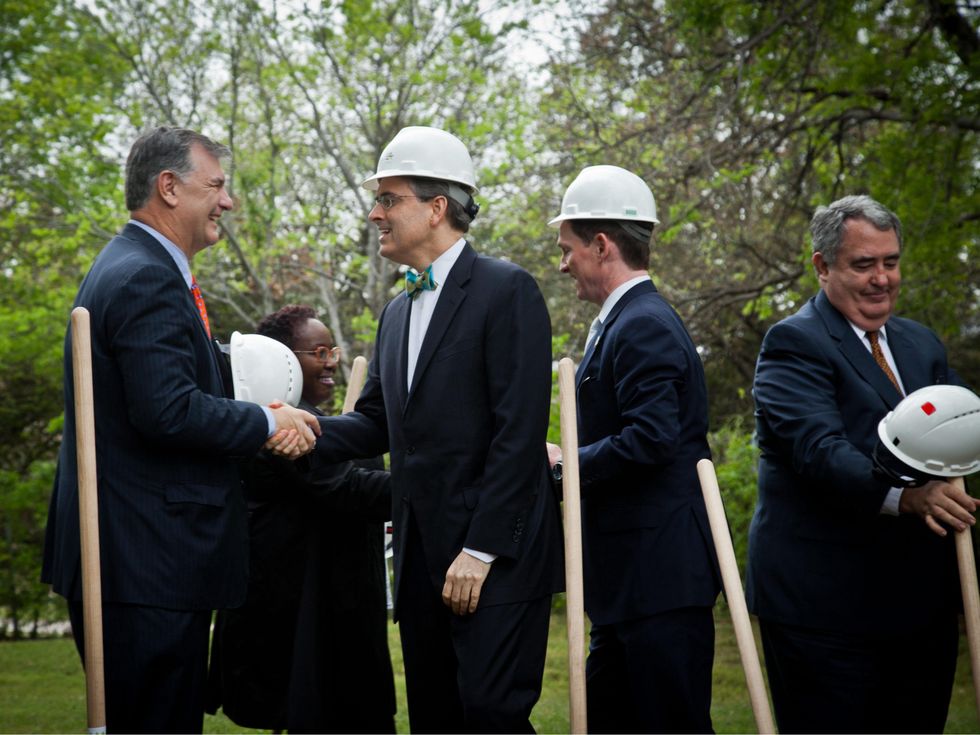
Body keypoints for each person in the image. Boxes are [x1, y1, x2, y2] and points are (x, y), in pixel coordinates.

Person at [41, 126, 319, 734]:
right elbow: (167, 410)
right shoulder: (144, 276)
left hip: (142, 560)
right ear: (168, 187)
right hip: (145, 563)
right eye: (216, 186)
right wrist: (266, 422)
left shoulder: (140, 266)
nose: (228, 201)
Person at [312, 125, 564, 733]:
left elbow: (517, 433)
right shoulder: (395, 312)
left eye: (388, 198)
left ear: (437, 207)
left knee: (492, 718)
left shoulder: (508, 291)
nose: (375, 213)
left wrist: (480, 550)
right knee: (435, 719)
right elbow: (376, 423)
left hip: (493, 562)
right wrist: (299, 429)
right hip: (420, 563)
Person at [746, 194, 976, 733]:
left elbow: (964, 424)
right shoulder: (793, 343)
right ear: (823, 266)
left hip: (920, 605)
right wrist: (909, 498)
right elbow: (819, 451)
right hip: (823, 607)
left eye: (891, 262)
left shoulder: (921, 344)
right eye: (863, 264)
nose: (881, 279)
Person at [545, 165, 720, 733]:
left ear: (602, 245)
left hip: (659, 578)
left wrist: (566, 466)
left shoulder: (643, 323)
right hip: (630, 582)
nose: (562, 263)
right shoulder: (621, 320)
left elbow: (652, 438)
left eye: (567, 249)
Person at [206, 305, 396, 733]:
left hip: (336, 601)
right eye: (319, 352)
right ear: (283, 359)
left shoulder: (322, 420)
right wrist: (439, 486)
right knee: (313, 710)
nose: (331, 362)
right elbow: (348, 489)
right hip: (301, 611)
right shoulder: (279, 423)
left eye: (333, 351)